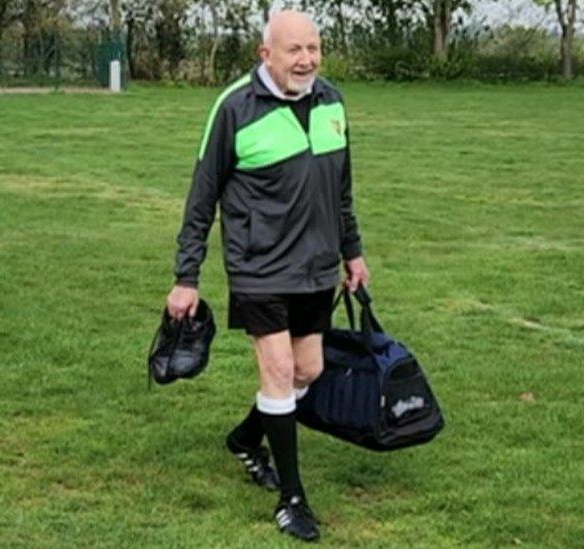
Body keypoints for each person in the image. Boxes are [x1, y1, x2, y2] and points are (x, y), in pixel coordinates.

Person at [166, 9, 369, 542]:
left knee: (308, 371)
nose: (306, 60)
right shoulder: (235, 107)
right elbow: (201, 198)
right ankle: (292, 499)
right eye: (293, 50)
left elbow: (341, 190)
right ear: (266, 55)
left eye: (313, 48)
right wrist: (187, 276)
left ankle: (243, 439)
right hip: (258, 266)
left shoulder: (332, 103)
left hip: (316, 267)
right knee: (278, 372)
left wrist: (353, 253)